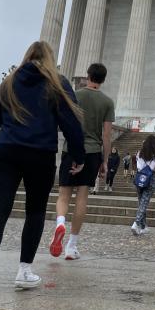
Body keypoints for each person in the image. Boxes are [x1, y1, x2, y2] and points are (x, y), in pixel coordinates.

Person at [0, 40, 86, 296]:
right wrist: (78, 155)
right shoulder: (57, 83)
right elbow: (71, 124)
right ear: (49, 58)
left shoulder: (10, 82)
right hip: (40, 153)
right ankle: (24, 270)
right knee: (35, 212)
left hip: (7, 150)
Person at [51, 62, 115, 261]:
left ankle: (60, 223)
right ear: (103, 79)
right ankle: (71, 245)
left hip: (72, 148)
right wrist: (105, 161)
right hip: (93, 152)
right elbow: (106, 134)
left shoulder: (75, 95)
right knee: (82, 196)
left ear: (88, 76)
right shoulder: (107, 102)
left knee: (63, 194)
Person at [131, 135, 155, 235]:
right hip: (150, 179)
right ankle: (136, 224)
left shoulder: (140, 153)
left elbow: (137, 166)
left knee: (141, 202)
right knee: (144, 202)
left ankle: (144, 227)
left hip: (139, 178)